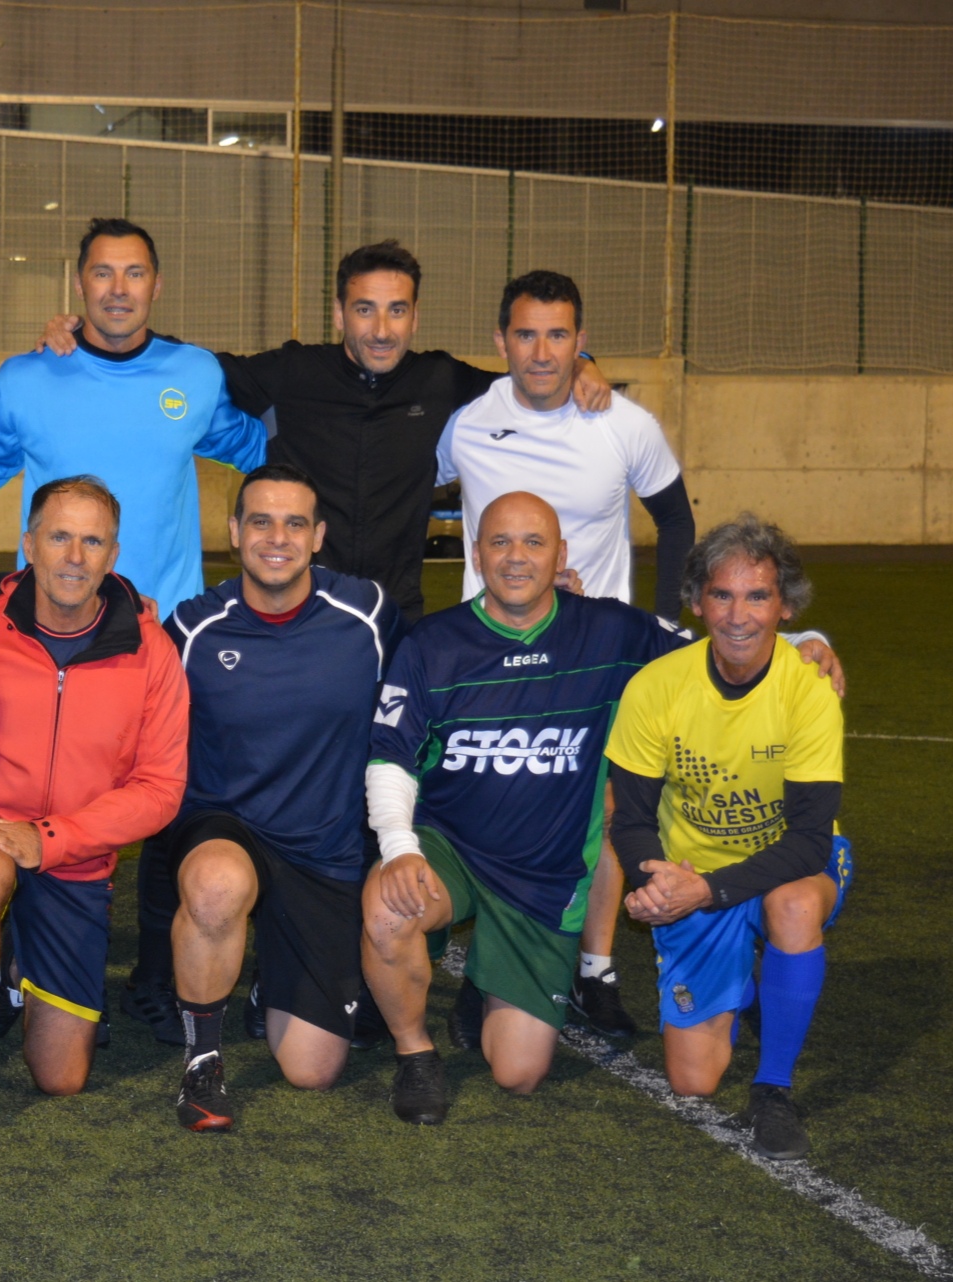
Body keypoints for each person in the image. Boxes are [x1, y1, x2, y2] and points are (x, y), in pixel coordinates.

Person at [39, 240, 613, 623]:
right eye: (365, 310)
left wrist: (582, 361)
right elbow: (179, 365)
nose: (382, 329)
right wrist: (84, 334)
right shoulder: (291, 374)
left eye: (397, 311)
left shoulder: (441, 381)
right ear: (339, 314)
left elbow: (532, 376)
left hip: (398, 617)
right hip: (301, 614)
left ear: (415, 315)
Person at [361, 492, 696, 1125]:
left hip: (543, 877)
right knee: (386, 908)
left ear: (561, 555)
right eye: (500, 542)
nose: (517, 558)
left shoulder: (610, 630)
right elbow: (390, 757)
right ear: (476, 552)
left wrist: (802, 644)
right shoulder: (433, 643)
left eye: (534, 543)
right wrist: (401, 850)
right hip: (450, 847)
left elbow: (714, 653)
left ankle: (489, 978)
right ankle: (416, 1054)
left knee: (518, 1074)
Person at [435, 268, 695, 1041]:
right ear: (499, 341)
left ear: (581, 342)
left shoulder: (623, 423)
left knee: (608, 812)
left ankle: (595, 968)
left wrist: (652, 626)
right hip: (488, 653)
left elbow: (675, 521)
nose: (540, 352)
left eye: (557, 335)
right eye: (525, 334)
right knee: (489, 803)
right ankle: (489, 967)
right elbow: (405, 493)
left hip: (597, 658)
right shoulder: (467, 424)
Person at [0, 476, 189, 1158]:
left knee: (61, 1077)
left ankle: (10, 973)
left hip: (74, 852)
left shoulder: (149, 648)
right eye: (59, 536)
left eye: (91, 541)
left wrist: (50, 839)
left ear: (113, 554)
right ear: (28, 544)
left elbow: (160, 789)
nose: (74, 555)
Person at [155, 464, 404, 1131]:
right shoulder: (191, 628)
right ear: (234, 532)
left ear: (318, 536)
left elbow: (445, 661)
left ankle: (271, 976)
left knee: (312, 1070)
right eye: (260, 520)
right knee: (214, 887)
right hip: (223, 824)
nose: (277, 537)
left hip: (321, 846)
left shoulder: (367, 615)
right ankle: (202, 1064)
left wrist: (555, 603)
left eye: (294, 523)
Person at [606, 515, 848, 1162]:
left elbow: (807, 844)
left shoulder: (809, 689)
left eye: (757, 596)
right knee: (692, 1080)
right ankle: (746, 979)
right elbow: (628, 820)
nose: (737, 615)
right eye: (720, 594)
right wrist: (654, 883)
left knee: (792, 906)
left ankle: (772, 1090)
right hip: (690, 871)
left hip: (778, 869)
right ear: (694, 601)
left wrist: (703, 892)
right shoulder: (654, 688)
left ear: (785, 606)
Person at [0, 217, 268, 610]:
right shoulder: (27, 378)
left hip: (166, 627)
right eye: (103, 273)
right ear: (79, 284)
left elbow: (260, 449)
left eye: (135, 274)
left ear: (156, 286)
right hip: (56, 627)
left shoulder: (196, 374)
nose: (119, 290)